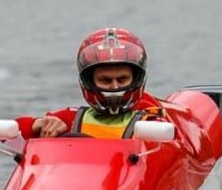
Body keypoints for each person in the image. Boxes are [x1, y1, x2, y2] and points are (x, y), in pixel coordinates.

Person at [16, 27, 166, 139]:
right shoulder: (72, 119)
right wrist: (40, 124)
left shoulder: (152, 121)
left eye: (122, 79)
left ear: (136, 80)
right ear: (89, 82)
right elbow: (12, 131)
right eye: (105, 80)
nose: (115, 87)